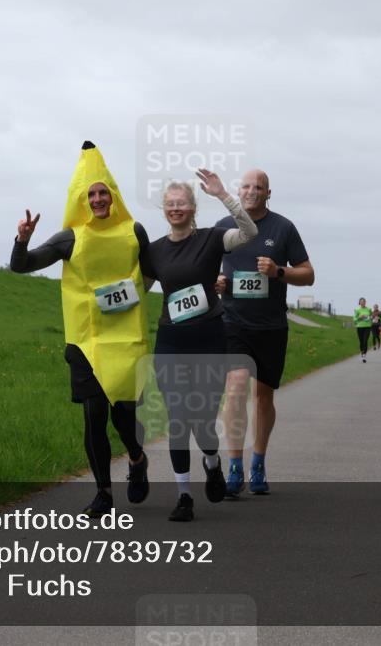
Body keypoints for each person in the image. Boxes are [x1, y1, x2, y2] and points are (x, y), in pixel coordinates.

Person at [10, 141, 150, 520]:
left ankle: (137, 459)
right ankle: (103, 492)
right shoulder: (70, 238)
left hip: (125, 341)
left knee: (123, 418)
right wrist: (22, 240)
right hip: (86, 341)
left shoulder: (134, 231)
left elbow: (154, 270)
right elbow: (21, 266)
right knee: (93, 416)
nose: (99, 198)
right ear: (80, 200)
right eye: (91, 194)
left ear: (114, 195)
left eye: (104, 192)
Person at [142, 171, 257, 521]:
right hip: (171, 342)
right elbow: (137, 292)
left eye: (182, 203)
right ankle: (183, 496)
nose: (176, 208)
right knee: (178, 419)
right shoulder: (154, 251)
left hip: (208, 339)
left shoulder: (212, 239)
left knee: (203, 423)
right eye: (170, 204)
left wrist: (223, 195)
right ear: (164, 210)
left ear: (193, 208)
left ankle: (212, 462)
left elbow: (249, 233)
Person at [215, 169, 314, 497]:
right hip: (232, 322)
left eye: (259, 187)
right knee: (236, 385)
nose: (252, 191)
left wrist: (279, 271)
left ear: (268, 193)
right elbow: (202, 268)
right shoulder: (223, 227)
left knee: (263, 396)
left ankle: (258, 461)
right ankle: (234, 466)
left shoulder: (283, 228)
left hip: (271, 326)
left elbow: (308, 275)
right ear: (238, 191)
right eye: (246, 186)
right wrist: (215, 283)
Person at [354, 298, 372, 362]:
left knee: (365, 341)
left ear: (365, 302)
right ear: (359, 303)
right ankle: (362, 352)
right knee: (361, 341)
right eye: (361, 302)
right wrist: (359, 317)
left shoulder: (369, 309)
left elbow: (371, 317)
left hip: (367, 326)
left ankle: (364, 355)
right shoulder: (357, 310)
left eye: (364, 302)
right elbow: (354, 319)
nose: (363, 303)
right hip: (360, 327)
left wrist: (370, 318)